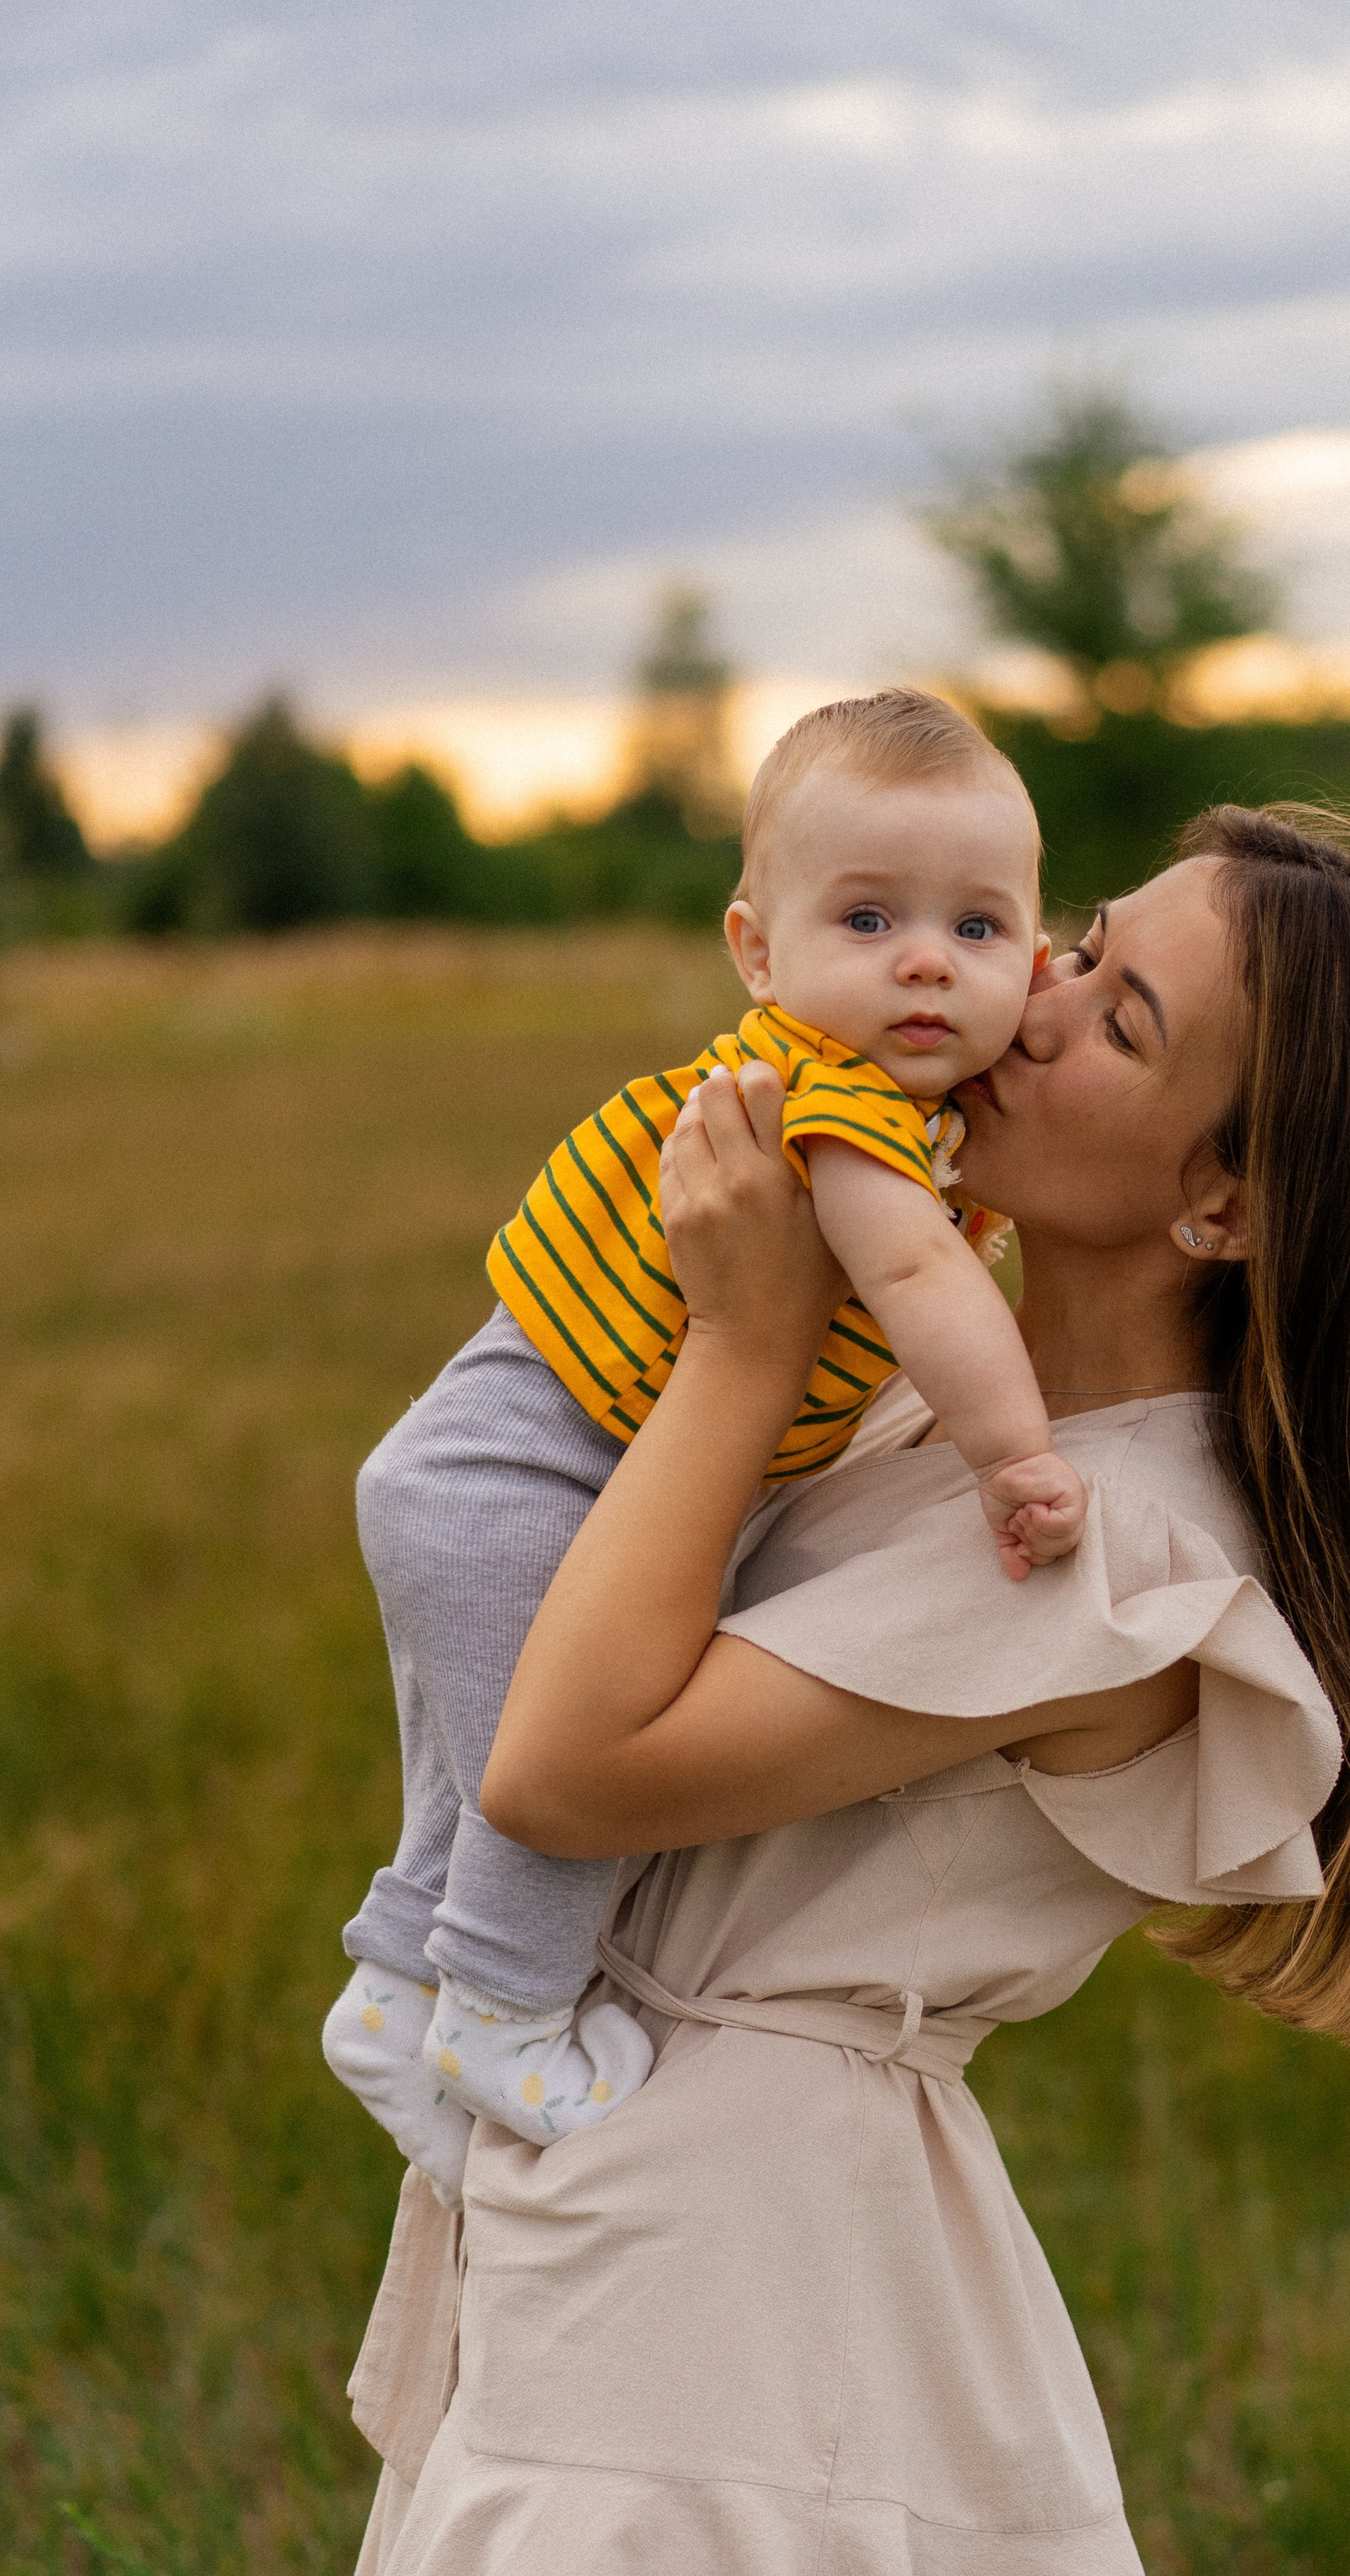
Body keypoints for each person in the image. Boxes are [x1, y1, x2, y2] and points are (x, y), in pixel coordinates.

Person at [296, 805, 1350, 2576]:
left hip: (698, 2310)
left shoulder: (1106, 1561)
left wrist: (733, 1348)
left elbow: (566, 1766)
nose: (1005, 1004)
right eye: (1072, 940)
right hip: (756, 2267)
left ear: (1224, 1200)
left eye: (1120, 1012)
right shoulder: (956, 1410)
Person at [322, 691, 1089, 2195]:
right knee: (556, 1785)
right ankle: (502, 2012)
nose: (926, 960)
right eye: (868, 920)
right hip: (519, 1482)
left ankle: (395, 1993)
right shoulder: (838, 1104)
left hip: (498, 1464)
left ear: (1037, 953)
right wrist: (1015, 1456)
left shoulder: (898, 1106)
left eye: (979, 929)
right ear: (758, 951)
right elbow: (926, 1279)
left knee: (484, 1782)